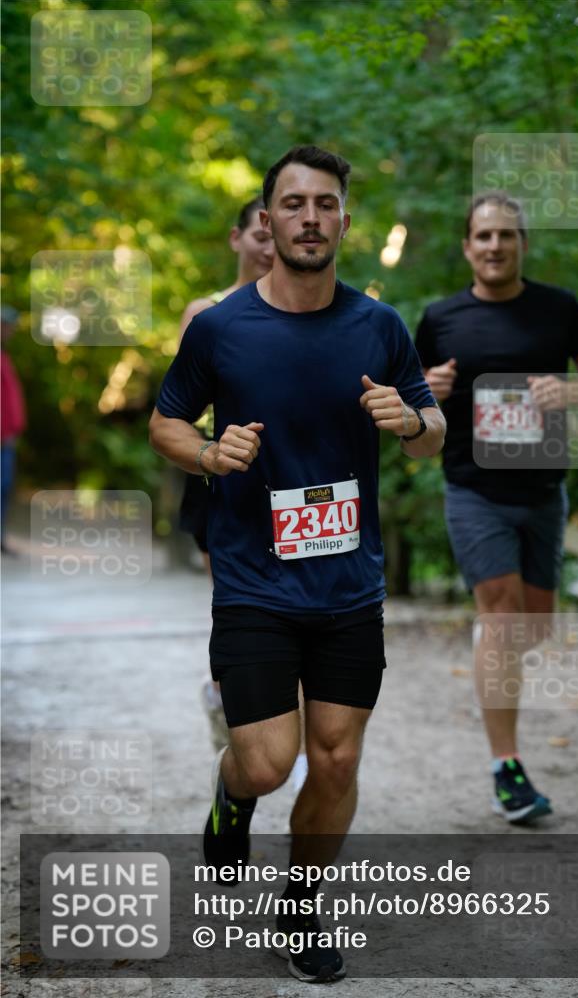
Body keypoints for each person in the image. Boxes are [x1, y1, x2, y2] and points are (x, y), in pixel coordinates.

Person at [149, 144, 445, 982]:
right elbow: (166, 424)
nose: (309, 217)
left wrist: (412, 422)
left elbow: (434, 439)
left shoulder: (379, 327)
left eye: (325, 204)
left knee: (339, 758)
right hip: (252, 582)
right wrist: (209, 455)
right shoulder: (221, 327)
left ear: (344, 220)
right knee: (268, 762)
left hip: (350, 585)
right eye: (293, 203)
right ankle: (230, 797)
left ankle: (304, 902)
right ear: (266, 222)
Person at [415, 191, 578, 825]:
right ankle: (507, 767)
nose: (495, 246)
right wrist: (428, 389)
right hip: (474, 489)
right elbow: (409, 407)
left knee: (533, 626)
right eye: (483, 237)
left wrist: (574, 388)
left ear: (523, 243)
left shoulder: (559, 310)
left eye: (506, 235)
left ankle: (492, 656)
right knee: (501, 619)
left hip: (543, 491)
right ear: (467, 247)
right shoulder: (440, 318)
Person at [177, 197, 274, 753]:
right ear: (237, 240)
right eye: (256, 234)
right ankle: (226, 699)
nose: (267, 244)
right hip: (218, 474)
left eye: (273, 232)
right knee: (235, 598)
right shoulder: (205, 311)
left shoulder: (311, 309)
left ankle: (286, 723)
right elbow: (181, 407)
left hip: (288, 477)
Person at [1, 306, 26, 555]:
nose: (10, 331)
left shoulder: (4, 356)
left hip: (7, 440)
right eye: (6, 326)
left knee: (4, 487)